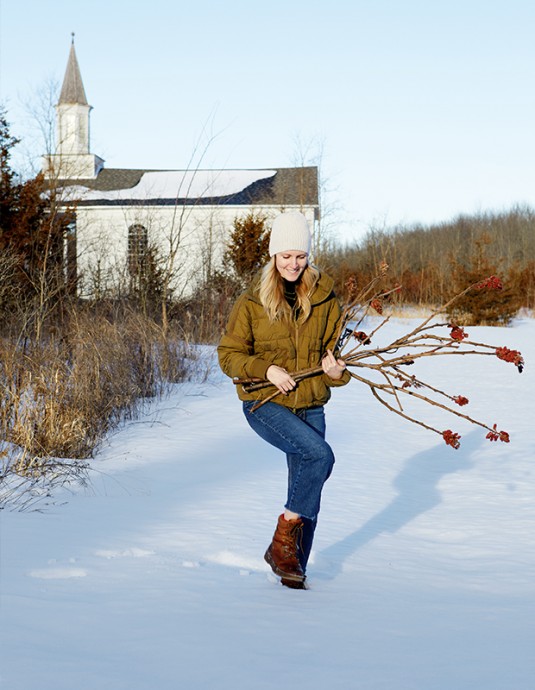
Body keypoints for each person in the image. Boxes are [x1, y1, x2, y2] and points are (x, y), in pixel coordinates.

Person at [217, 210, 349, 589]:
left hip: (311, 403)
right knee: (320, 457)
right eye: (286, 255)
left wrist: (338, 373)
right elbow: (229, 356)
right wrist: (266, 369)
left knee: (309, 484)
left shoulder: (325, 299)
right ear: (274, 256)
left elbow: (333, 358)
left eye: (300, 255)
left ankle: (292, 571)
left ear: (309, 255)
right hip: (266, 402)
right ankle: (282, 545)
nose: (293, 264)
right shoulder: (252, 302)